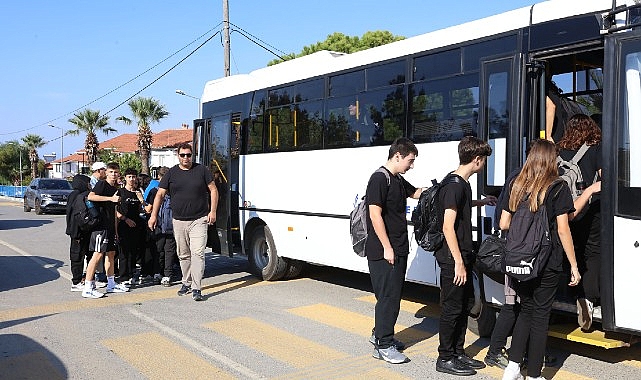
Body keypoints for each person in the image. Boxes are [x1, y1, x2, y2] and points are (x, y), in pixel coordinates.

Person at [501, 139, 581, 380]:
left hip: (520, 260)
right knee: (541, 316)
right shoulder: (558, 187)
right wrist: (574, 266)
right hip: (548, 261)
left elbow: (504, 223)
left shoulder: (516, 184)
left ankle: (513, 368)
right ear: (550, 160)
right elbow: (564, 230)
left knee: (525, 310)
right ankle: (535, 375)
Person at [435, 136, 496, 376]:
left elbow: (460, 206)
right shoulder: (454, 185)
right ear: (477, 159)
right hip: (453, 258)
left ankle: (458, 353)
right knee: (452, 308)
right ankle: (445, 357)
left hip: (462, 255)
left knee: (463, 306)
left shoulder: (461, 183)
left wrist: (481, 202)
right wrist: (459, 262)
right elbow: (447, 226)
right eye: (484, 161)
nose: (483, 166)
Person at [366, 137, 423, 365]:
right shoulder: (379, 179)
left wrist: (441, 187)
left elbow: (416, 193)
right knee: (389, 298)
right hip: (384, 251)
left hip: (397, 248)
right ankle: (384, 344)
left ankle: (379, 334)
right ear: (397, 155)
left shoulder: (397, 179)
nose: (411, 165)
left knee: (390, 297)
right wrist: (387, 248)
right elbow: (374, 214)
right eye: (410, 160)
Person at [148, 144, 218, 302]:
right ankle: (186, 282)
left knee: (198, 253)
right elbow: (159, 194)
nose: (186, 158)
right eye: (183, 155)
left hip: (199, 219)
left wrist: (212, 211)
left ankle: (196, 287)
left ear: (192, 155)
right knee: (183, 254)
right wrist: (153, 216)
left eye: (188, 155)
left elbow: (213, 189)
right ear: (177, 155)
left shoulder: (201, 170)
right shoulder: (171, 173)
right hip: (178, 220)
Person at [557, 114, 603, 331]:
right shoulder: (595, 148)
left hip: (566, 211)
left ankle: (572, 292)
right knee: (593, 253)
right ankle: (588, 298)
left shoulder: (559, 150)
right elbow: (604, 178)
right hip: (590, 209)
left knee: (571, 250)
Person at [82, 162, 130, 298]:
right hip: (100, 227)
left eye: (116, 172)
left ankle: (111, 284)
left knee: (111, 254)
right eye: (111, 172)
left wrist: (115, 230)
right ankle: (88, 287)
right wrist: (110, 198)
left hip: (109, 227)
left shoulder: (116, 188)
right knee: (97, 255)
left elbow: (114, 210)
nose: (114, 175)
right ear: (106, 173)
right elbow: (91, 196)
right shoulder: (102, 184)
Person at [115, 168, 146, 286]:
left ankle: (131, 274)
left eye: (134, 177)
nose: (132, 179)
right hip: (123, 225)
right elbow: (114, 210)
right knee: (124, 252)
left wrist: (141, 200)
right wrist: (125, 219)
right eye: (129, 177)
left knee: (133, 252)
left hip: (135, 225)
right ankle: (123, 278)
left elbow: (143, 209)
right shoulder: (120, 192)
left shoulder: (138, 192)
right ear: (125, 178)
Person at [146, 166, 176, 287]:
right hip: (162, 224)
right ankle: (162, 274)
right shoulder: (155, 191)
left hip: (166, 224)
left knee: (165, 250)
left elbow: (148, 208)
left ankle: (163, 274)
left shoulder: (169, 191)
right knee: (163, 250)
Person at [65, 174, 93, 292]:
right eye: (87, 183)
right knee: (77, 257)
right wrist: (75, 232)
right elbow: (73, 216)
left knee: (86, 254)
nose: (89, 185)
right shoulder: (76, 195)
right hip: (77, 232)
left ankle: (83, 278)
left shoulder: (78, 194)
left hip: (83, 231)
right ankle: (76, 281)